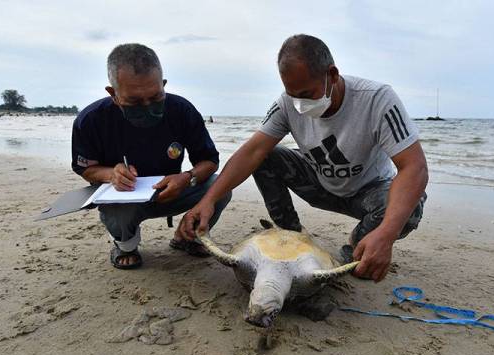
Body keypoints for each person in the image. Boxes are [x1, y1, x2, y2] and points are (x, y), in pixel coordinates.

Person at [179, 34, 428, 282]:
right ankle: (291, 234)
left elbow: (414, 168)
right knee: (266, 156)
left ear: (332, 74)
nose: (300, 103)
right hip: (319, 182)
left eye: (307, 93)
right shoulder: (287, 104)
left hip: (368, 192)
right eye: (292, 94)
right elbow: (252, 152)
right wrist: (209, 199)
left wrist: (385, 234)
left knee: (410, 209)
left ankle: (357, 243)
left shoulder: (376, 99)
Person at [71, 43, 231, 270]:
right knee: (115, 209)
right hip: (125, 198)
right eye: (135, 101)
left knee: (220, 186)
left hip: (173, 191)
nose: (147, 106)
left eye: (156, 97)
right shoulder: (91, 120)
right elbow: (84, 167)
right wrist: (111, 174)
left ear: (163, 85)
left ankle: (186, 238)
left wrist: (188, 177)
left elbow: (209, 161)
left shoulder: (182, 110)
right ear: (113, 93)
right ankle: (125, 246)